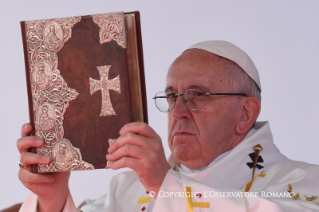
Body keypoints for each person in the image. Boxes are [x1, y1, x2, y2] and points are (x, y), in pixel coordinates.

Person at [17, 41, 319, 211]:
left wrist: (167, 186)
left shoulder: (301, 183)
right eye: (172, 96)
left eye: (197, 95)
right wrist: (52, 200)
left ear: (245, 114)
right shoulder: (128, 189)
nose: (178, 112)